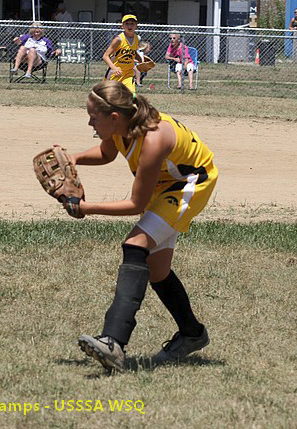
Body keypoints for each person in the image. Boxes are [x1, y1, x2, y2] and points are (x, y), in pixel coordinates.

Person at [71, 80, 218, 371]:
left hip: (190, 184)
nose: (90, 123)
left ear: (113, 118)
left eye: (93, 117)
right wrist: (73, 158)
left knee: (135, 245)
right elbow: (107, 153)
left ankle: (113, 342)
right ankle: (192, 333)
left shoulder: (152, 140)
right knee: (157, 271)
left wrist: (86, 208)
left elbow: (136, 205)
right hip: (165, 185)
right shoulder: (122, 124)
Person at [103, 14, 142, 93]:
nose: (129, 26)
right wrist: (114, 68)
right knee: (110, 96)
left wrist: (141, 61)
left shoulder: (137, 38)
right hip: (116, 72)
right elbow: (105, 56)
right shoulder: (118, 39)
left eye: (132, 24)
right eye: (127, 24)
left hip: (128, 73)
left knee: (131, 94)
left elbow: (133, 51)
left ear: (136, 26)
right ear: (122, 26)